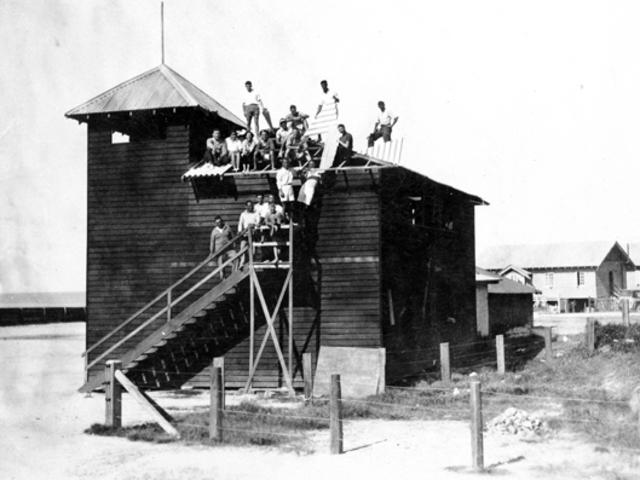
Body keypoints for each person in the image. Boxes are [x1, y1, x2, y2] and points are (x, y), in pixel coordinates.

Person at [237, 200, 261, 266]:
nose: (250, 207)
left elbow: (258, 223)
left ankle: (250, 263)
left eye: (251, 205)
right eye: (248, 206)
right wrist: (239, 231)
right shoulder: (243, 214)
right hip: (245, 234)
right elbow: (240, 223)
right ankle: (242, 263)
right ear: (246, 206)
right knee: (242, 248)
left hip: (253, 234)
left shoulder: (256, 213)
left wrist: (254, 224)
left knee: (253, 251)